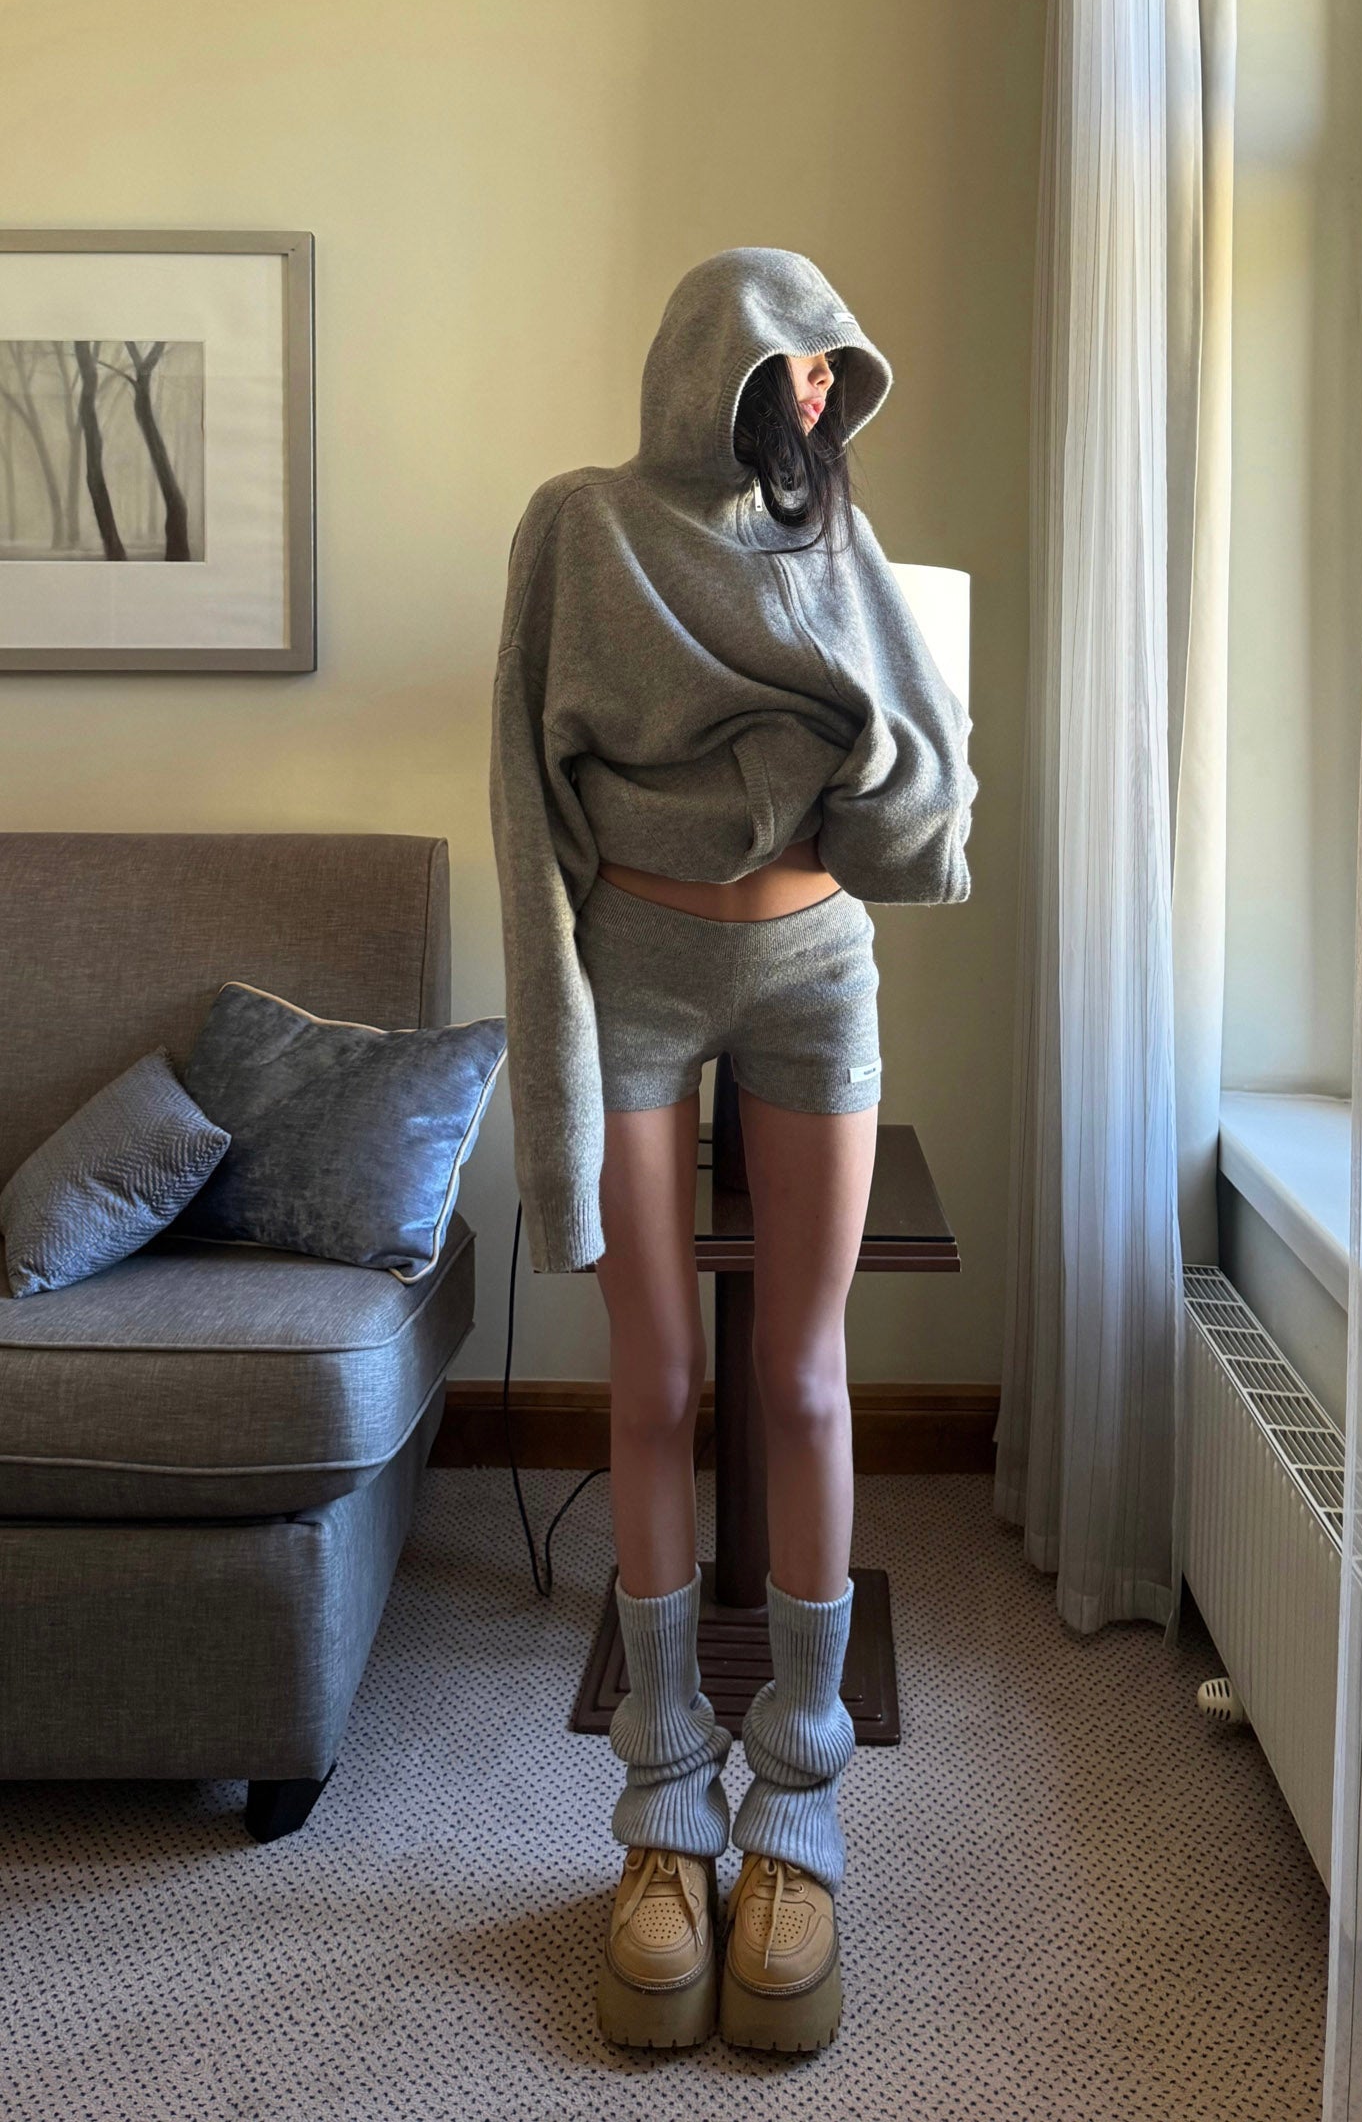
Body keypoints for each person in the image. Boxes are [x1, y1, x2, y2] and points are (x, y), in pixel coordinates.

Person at [489, 246, 977, 2054]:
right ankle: (662, 1808)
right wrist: (548, 1012)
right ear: (717, 360)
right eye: (793, 361)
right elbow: (524, 782)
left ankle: (798, 1807)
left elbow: (927, 768)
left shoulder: (834, 538)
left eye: (836, 367)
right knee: (656, 1378)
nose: (818, 394)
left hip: (816, 970)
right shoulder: (582, 526)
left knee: (806, 1378)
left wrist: (880, 774)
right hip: (634, 963)